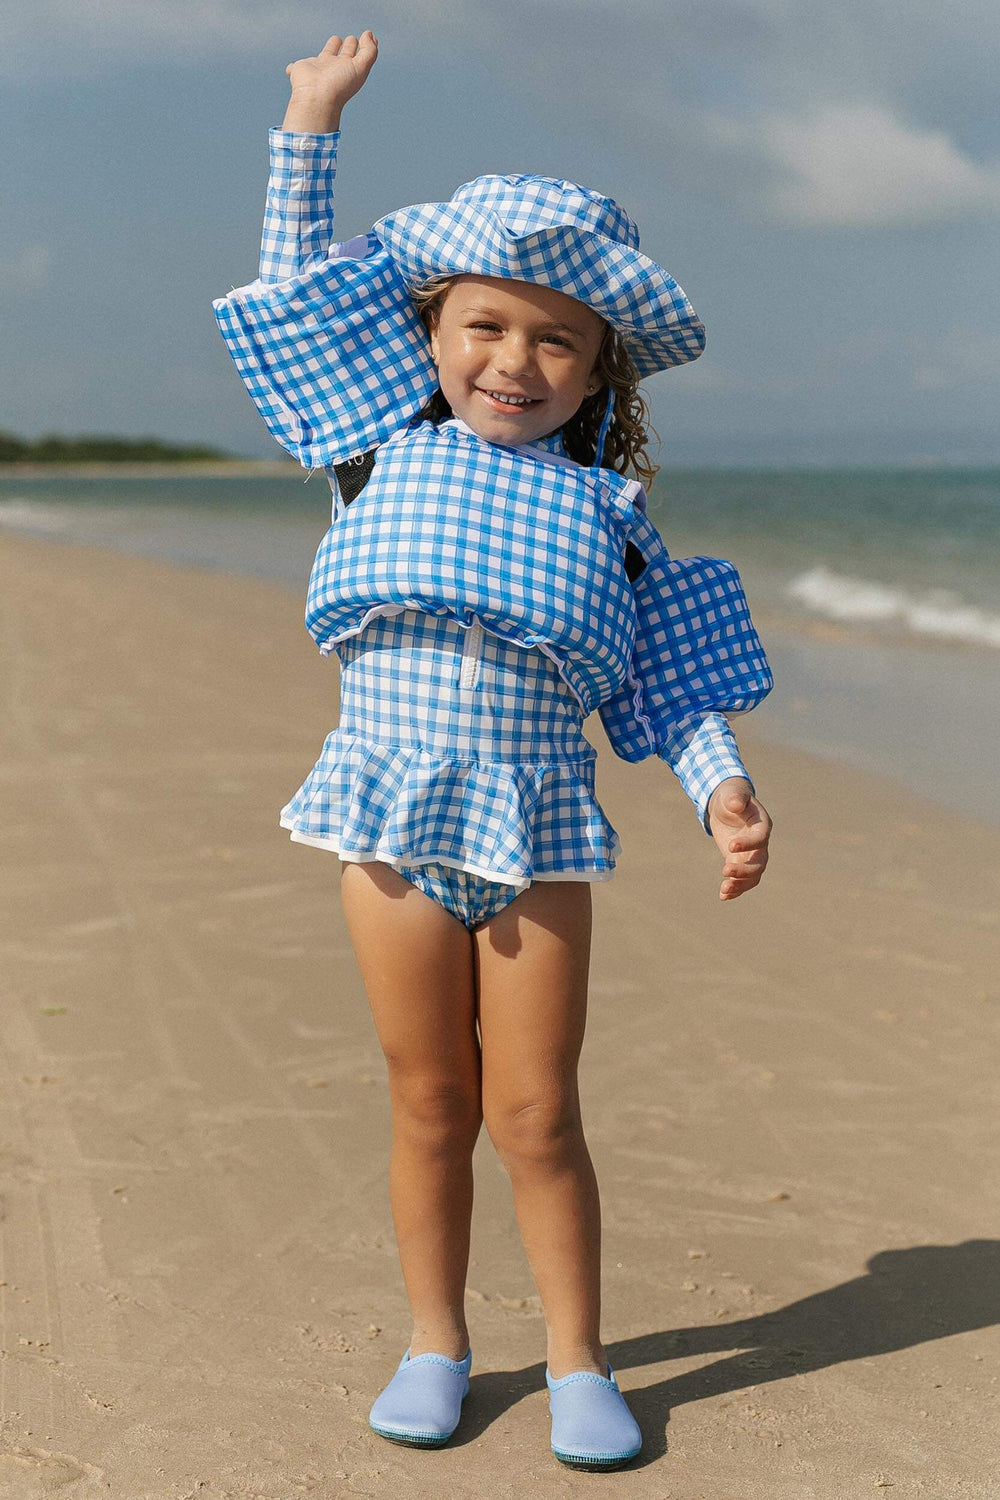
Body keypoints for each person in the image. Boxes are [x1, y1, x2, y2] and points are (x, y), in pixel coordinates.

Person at [214, 30, 774, 1470]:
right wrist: (309, 120)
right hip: (391, 832)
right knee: (429, 1104)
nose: (514, 358)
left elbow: (668, 673)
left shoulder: (608, 513)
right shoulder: (374, 452)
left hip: (537, 844)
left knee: (535, 1113)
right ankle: (437, 1343)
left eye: (554, 338)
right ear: (430, 332)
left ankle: (580, 1362)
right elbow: (286, 295)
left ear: (596, 373)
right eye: (484, 325)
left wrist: (721, 787)